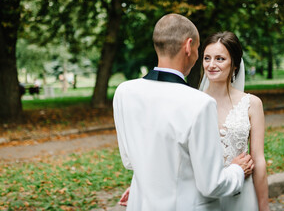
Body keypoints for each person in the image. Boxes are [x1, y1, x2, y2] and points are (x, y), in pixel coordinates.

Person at [113, 14, 254, 211]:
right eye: (198, 50)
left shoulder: (124, 92)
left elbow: (130, 160)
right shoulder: (199, 103)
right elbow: (211, 184)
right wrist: (237, 170)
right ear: (188, 47)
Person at [199, 31, 270, 211]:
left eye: (220, 59)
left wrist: (264, 207)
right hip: (204, 197)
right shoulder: (194, 103)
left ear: (235, 65)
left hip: (242, 197)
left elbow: (259, 160)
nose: (211, 65)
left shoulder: (252, 104)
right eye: (207, 58)